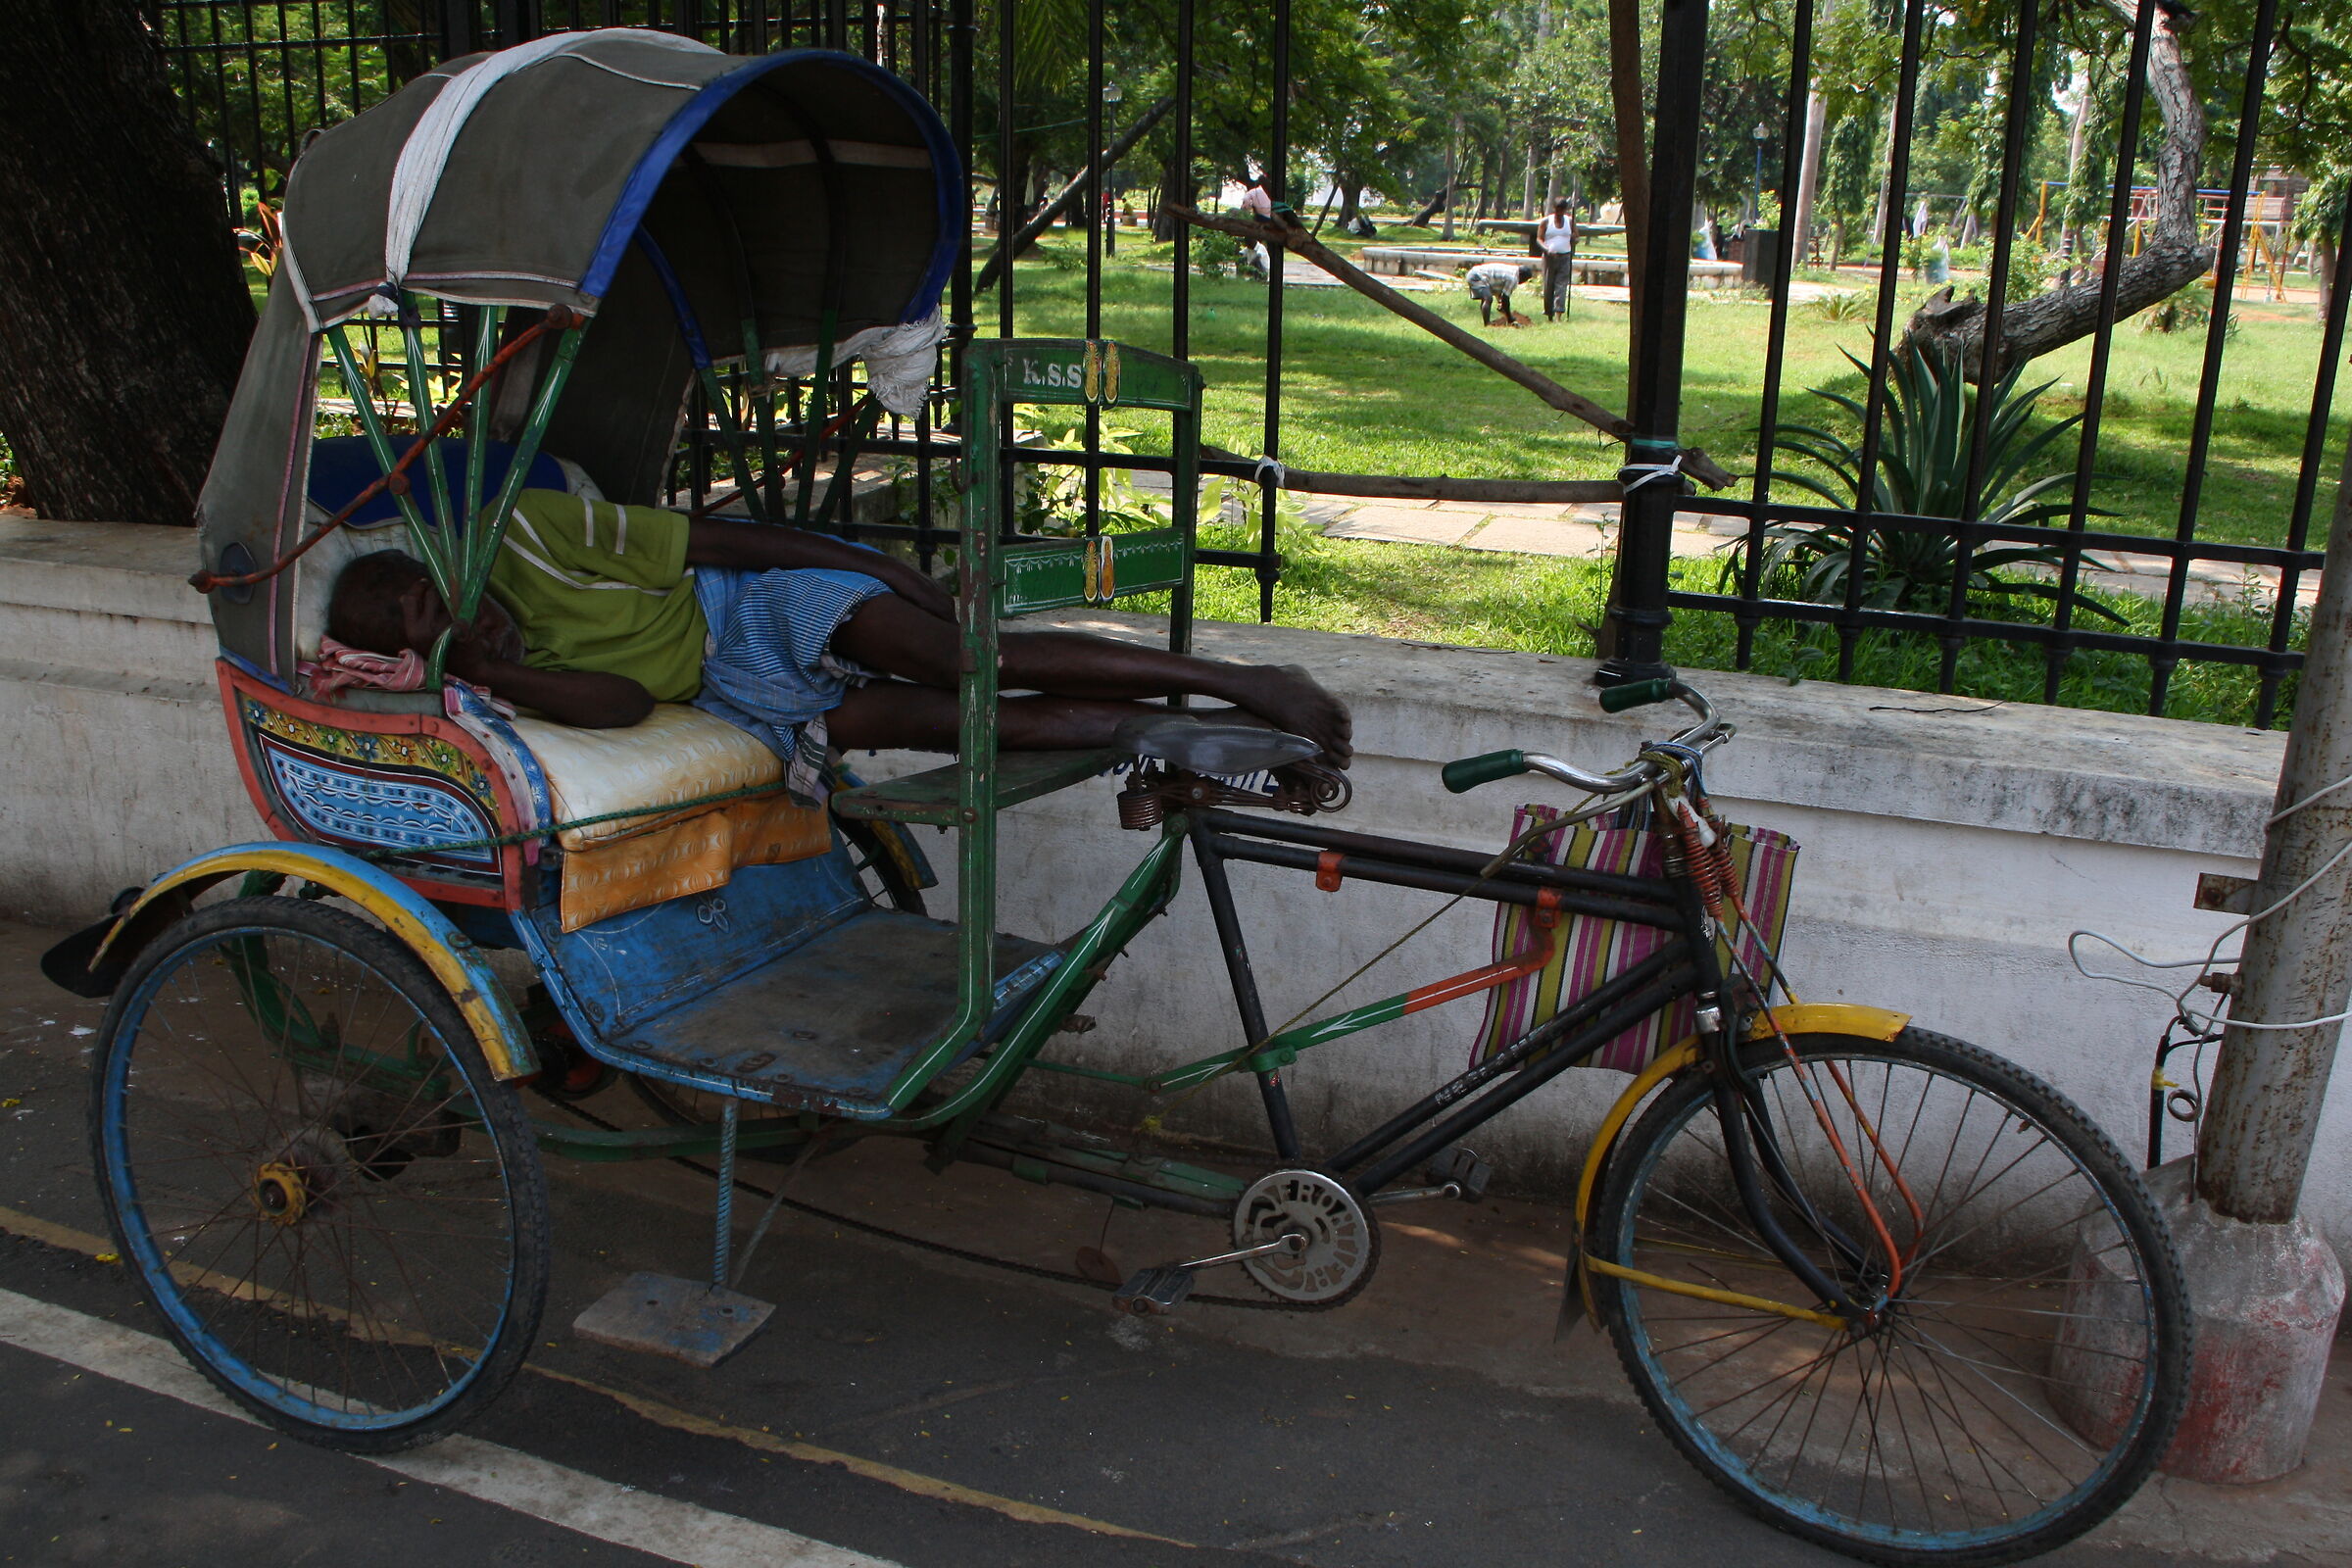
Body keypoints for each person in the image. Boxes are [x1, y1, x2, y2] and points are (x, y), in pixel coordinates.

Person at [325, 490, 1350, 804]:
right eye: (437, 633)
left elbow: (731, 541)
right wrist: (491, 661)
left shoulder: (534, 529)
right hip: (735, 694)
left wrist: (891, 572)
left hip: (749, 607)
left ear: (440, 566)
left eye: (441, 596)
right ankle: (1171, 735)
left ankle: (1241, 678)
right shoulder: (493, 681)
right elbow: (628, 703)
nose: (466, 620)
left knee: (962, 660)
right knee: (938, 722)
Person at [1537, 198, 1576, 321]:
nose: (1560, 213)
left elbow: (1576, 235)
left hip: (1565, 256)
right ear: (1554, 209)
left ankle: (1558, 314)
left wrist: (1574, 238)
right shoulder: (1546, 221)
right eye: (1558, 210)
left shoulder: (1570, 221)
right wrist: (1547, 249)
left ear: (1565, 210)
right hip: (1549, 258)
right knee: (1549, 285)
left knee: (1561, 285)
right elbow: (1539, 239)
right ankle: (1549, 313)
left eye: (1562, 211)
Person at [1466, 259, 1536, 326]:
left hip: (1476, 273)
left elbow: (1500, 291)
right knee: (1488, 298)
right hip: (1477, 276)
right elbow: (1505, 298)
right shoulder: (1513, 278)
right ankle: (1487, 324)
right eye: (1524, 279)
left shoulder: (1513, 270)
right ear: (1521, 275)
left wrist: (1501, 304)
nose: (1523, 282)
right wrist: (1510, 317)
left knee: (1486, 298)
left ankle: (1487, 321)